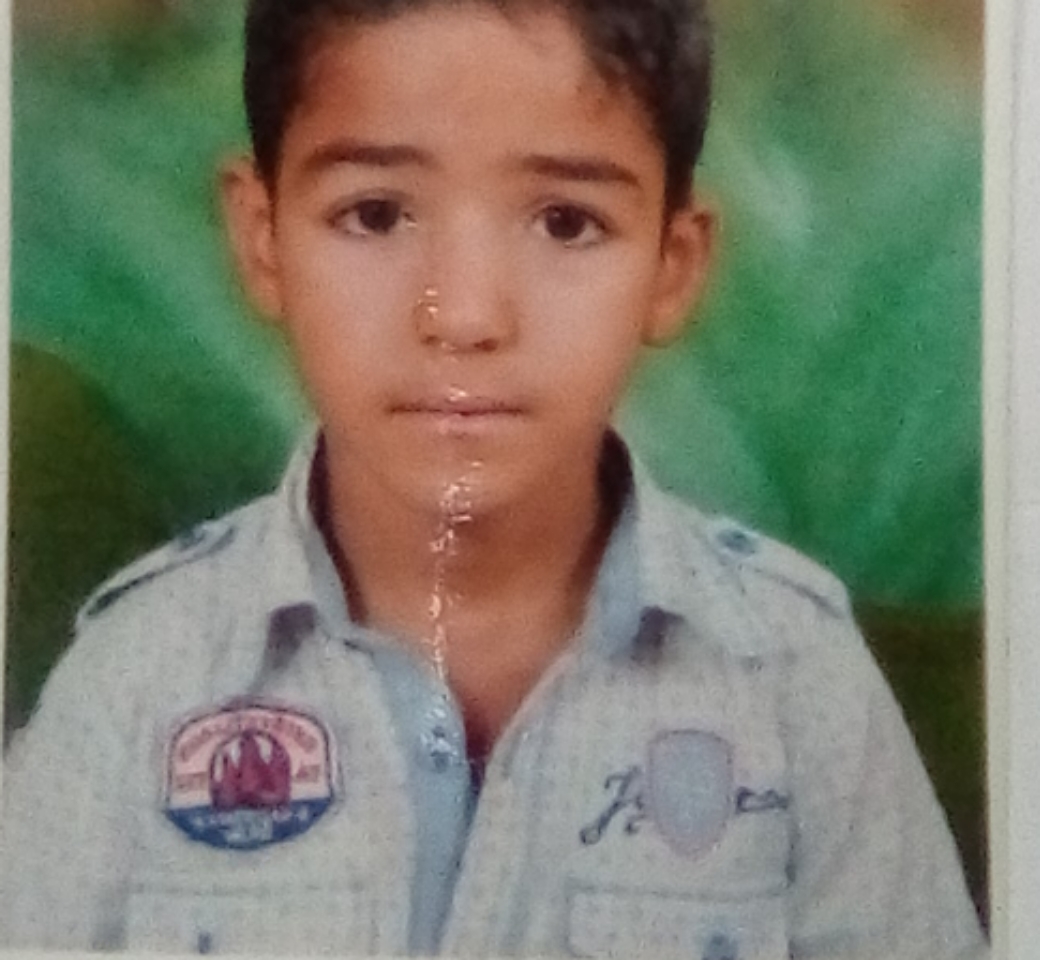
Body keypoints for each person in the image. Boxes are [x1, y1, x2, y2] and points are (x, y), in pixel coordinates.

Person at [0, 1, 985, 957]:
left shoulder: (794, 677)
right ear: (261, 238)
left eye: (565, 223)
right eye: (375, 214)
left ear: (673, 265)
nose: (465, 314)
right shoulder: (139, 677)